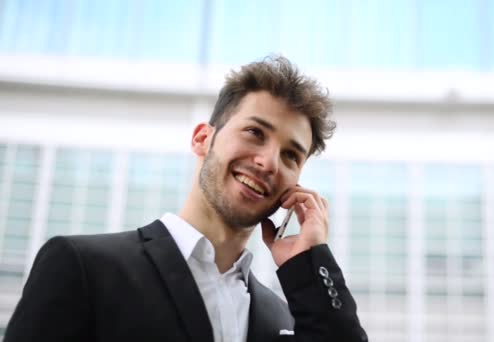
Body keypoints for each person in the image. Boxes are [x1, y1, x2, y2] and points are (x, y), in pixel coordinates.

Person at [5, 56, 368, 342]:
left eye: (291, 155)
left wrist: (309, 264)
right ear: (202, 139)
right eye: (255, 132)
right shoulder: (83, 266)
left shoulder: (284, 317)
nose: (269, 162)